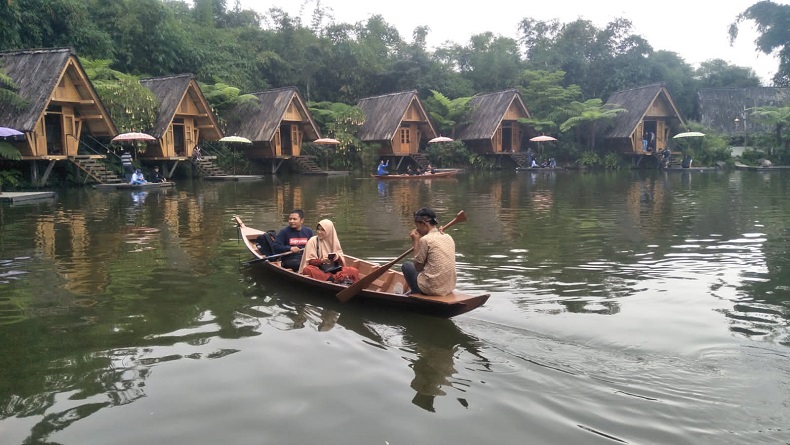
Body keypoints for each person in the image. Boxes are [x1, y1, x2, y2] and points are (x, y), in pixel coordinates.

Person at [401, 208, 456, 296]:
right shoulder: (448, 237)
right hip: (448, 287)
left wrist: (415, 242)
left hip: (431, 289)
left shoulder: (425, 240)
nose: (417, 230)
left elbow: (418, 268)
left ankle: (417, 295)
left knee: (406, 266)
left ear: (424, 223)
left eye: (417, 226)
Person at [298, 219, 359, 284]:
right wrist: (322, 261)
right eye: (318, 229)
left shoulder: (334, 241)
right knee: (307, 269)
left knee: (353, 270)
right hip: (319, 270)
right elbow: (310, 261)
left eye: (322, 230)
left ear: (329, 231)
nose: (319, 232)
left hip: (333, 269)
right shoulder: (313, 240)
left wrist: (336, 257)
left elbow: (341, 262)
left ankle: (337, 278)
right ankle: (336, 279)